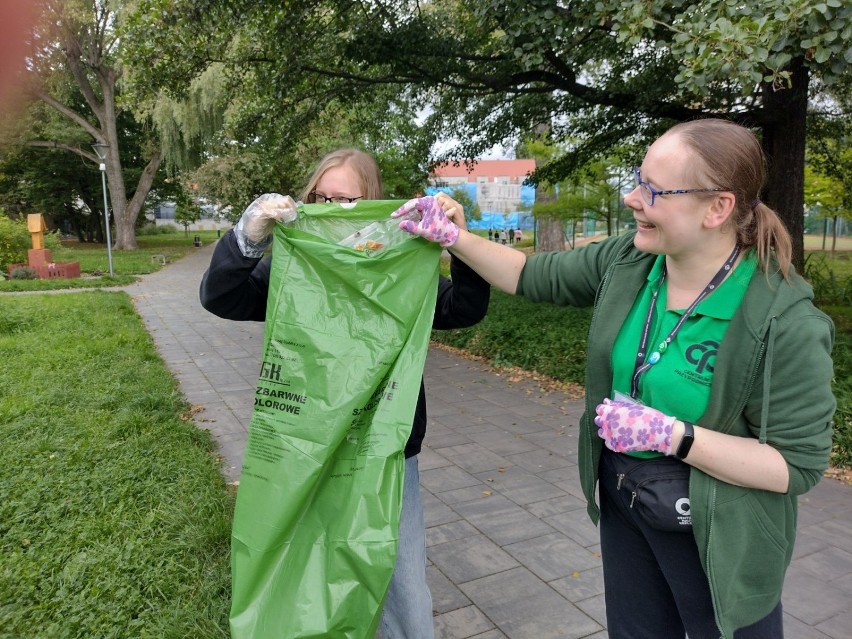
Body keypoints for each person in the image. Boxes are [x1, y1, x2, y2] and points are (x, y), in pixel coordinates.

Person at [393, 119, 835, 639]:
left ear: (718, 208)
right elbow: (530, 274)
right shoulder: (631, 262)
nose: (631, 198)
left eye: (653, 189)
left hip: (720, 531)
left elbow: (795, 466)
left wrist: (675, 435)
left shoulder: (784, 321)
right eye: (636, 179)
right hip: (628, 501)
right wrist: (455, 238)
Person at [199, 148, 491, 638]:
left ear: (373, 202)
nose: (333, 206)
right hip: (306, 446)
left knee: (402, 585)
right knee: (309, 560)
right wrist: (248, 238)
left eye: (348, 200)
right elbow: (221, 296)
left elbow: (462, 309)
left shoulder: (400, 267)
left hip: (385, 454)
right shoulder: (294, 267)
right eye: (322, 196)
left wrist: (459, 243)